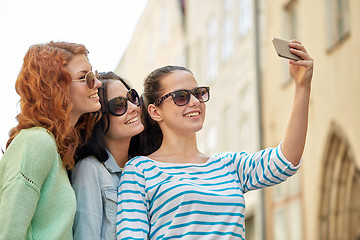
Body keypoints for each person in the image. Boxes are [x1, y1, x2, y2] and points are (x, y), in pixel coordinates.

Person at [116, 40, 313, 239]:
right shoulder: (139, 171)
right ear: (155, 112)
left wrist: (302, 86)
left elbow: (285, 161)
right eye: (181, 97)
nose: (195, 102)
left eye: (198, 93)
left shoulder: (228, 166)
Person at [0, 41, 102, 239]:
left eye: (94, 75)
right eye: (84, 78)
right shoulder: (37, 142)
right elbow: (8, 231)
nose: (97, 83)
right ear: (56, 87)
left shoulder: (55, 147)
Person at [71, 71, 144, 240]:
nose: (133, 108)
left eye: (132, 98)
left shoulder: (143, 167)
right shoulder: (89, 169)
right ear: (98, 118)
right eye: (119, 105)